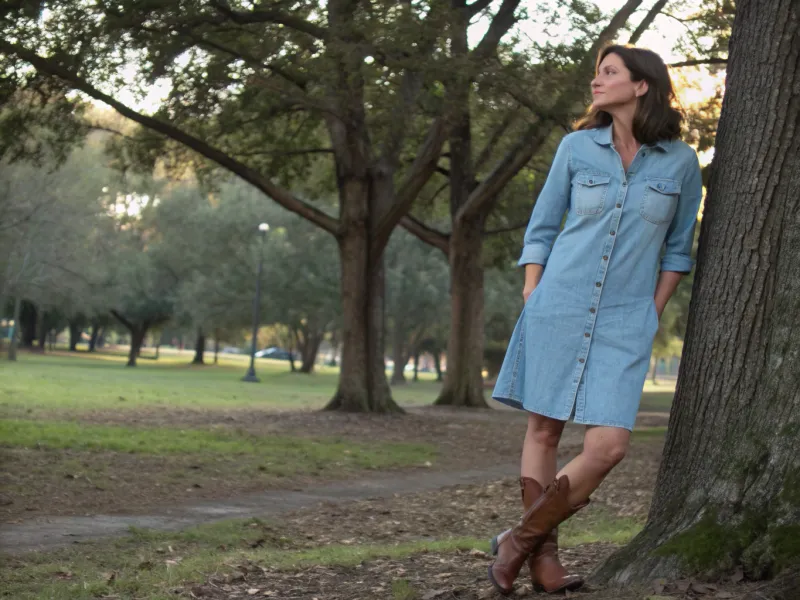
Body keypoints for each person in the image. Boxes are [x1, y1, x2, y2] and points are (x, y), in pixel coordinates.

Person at [487, 44, 704, 596]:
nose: (596, 82)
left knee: (607, 447)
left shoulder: (680, 162)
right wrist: (534, 290)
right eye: (596, 73)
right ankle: (543, 560)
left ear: (642, 86)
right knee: (545, 428)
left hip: (625, 321)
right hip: (558, 303)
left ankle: (517, 540)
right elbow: (541, 228)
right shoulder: (576, 147)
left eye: (609, 73)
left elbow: (679, 251)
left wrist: (649, 313)